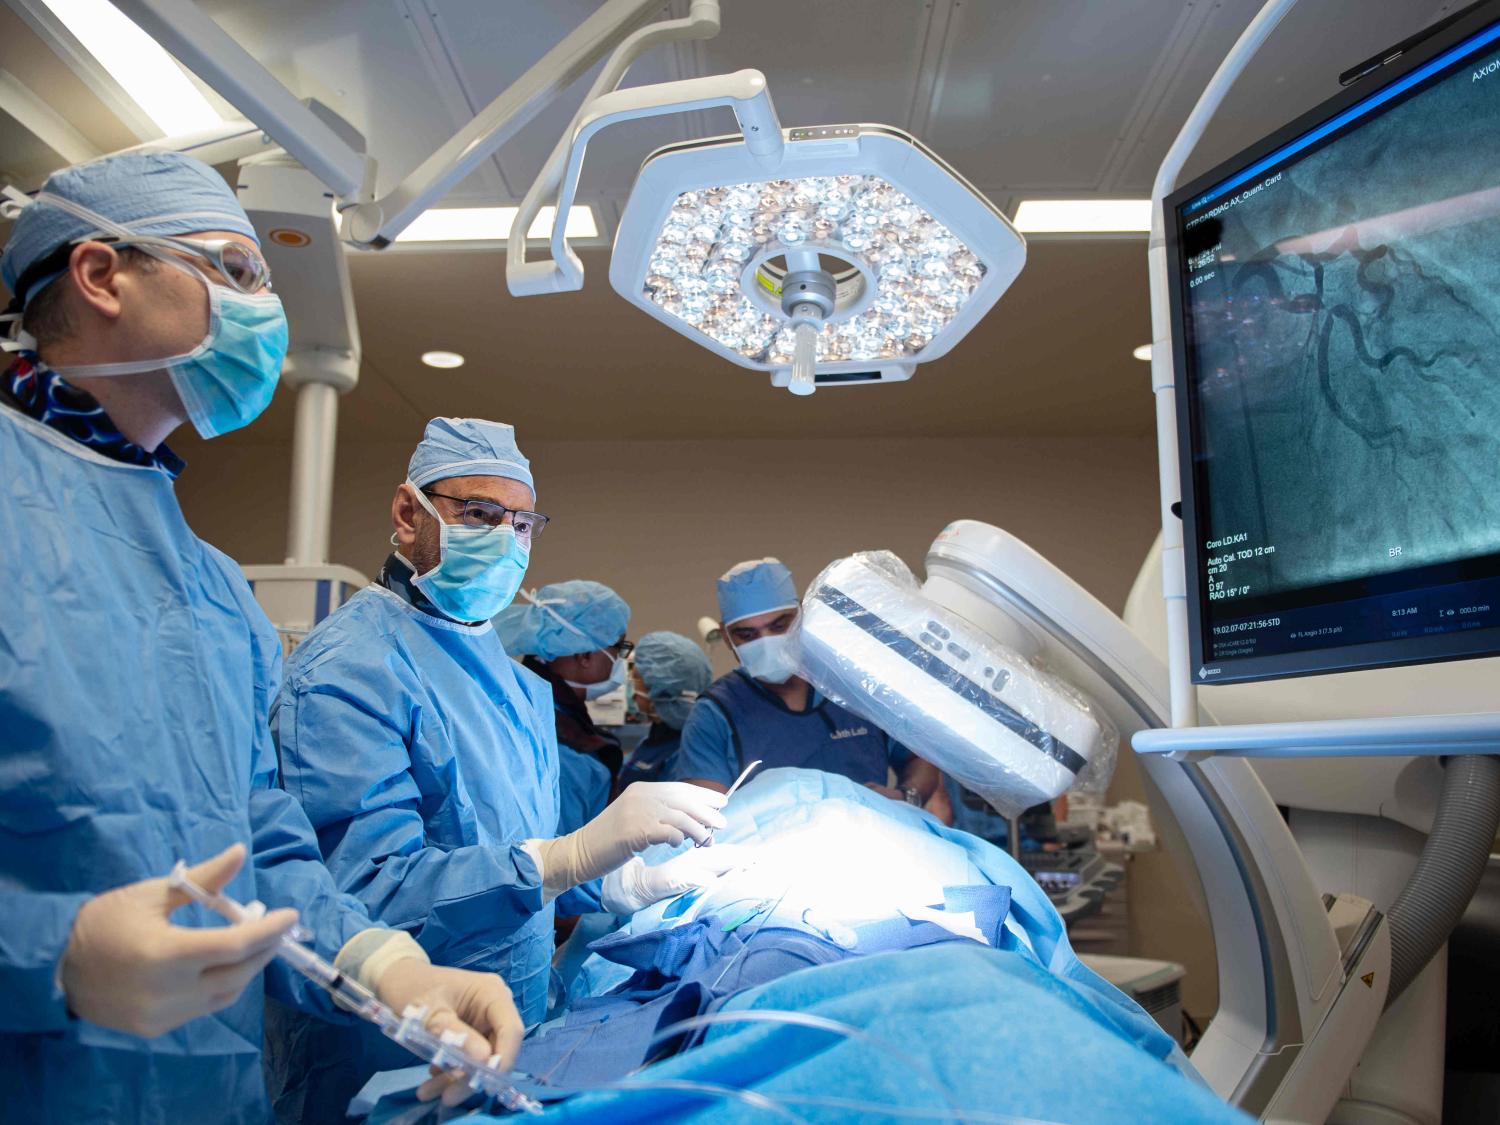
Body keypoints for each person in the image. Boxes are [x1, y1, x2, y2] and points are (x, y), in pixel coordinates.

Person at [0, 152, 522, 1120]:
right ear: (102, 274)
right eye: (236, 271)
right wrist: (46, 954)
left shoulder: (214, 590)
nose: (264, 313)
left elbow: (256, 835)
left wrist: (386, 965)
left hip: (208, 1086)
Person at [269, 420, 733, 1119]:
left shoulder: (516, 683)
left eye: (521, 524)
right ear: (407, 514)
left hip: (512, 1030)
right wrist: (561, 858)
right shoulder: (347, 672)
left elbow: (512, 855)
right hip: (383, 1054)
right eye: (479, 514)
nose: (504, 540)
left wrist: (612, 881)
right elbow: (358, 897)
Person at [673, 558, 950, 819]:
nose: (767, 641)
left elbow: (919, 758)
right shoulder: (715, 714)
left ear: (802, 615)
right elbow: (708, 820)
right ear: (726, 636)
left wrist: (907, 796)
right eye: (747, 635)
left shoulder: (854, 686)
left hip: (871, 847)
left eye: (780, 625)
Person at [494, 580, 632, 832]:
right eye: (618, 647)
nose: (621, 660)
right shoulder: (562, 748)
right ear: (585, 656)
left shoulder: (531, 703)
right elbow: (564, 855)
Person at [623, 631, 714, 785]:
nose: (629, 685)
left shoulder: (688, 754)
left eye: (636, 678)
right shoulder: (655, 739)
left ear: (662, 689)